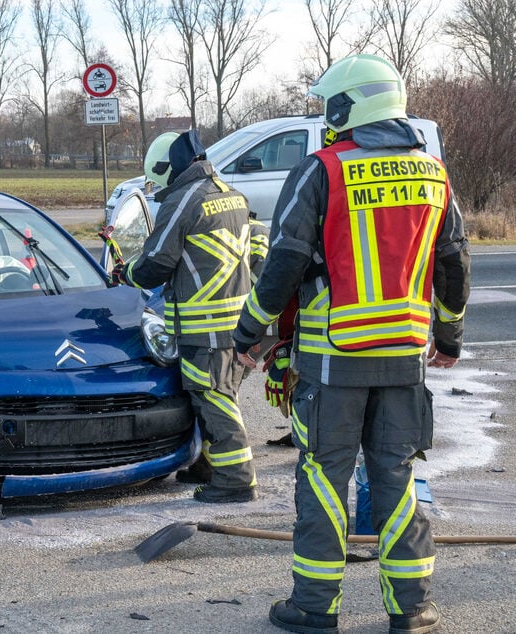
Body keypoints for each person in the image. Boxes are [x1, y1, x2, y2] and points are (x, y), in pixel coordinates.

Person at [231, 54, 470, 633]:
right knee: (398, 479)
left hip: (332, 362)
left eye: (330, 106)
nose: (327, 116)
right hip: (405, 360)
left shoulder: (323, 170)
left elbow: (283, 264)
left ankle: (314, 609)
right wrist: (449, 338)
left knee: (323, 480)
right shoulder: (433, 174)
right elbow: (454, 263)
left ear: (349, 105)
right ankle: (411, 610)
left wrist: (249, 335)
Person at [112, 129, 259, 504]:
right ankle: (208, 466)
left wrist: (124, 273)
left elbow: (156, 263)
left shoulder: (183, 199)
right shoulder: (228, 193)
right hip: (239, 321)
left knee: (214, 399)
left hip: (204, 326)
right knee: (221, 396)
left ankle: (237, 480)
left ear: (166, 169)